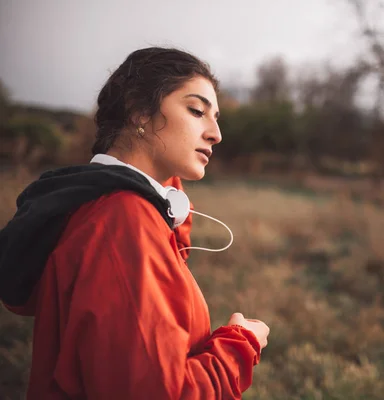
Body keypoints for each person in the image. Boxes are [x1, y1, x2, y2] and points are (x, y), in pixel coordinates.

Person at [0, 47, 270, 399]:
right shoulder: (122, 221)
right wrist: (241, 345)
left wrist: (170, 206)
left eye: (215, 117)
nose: (215, 133)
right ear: (139, 111)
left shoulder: (104, 204)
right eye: (196, 110)